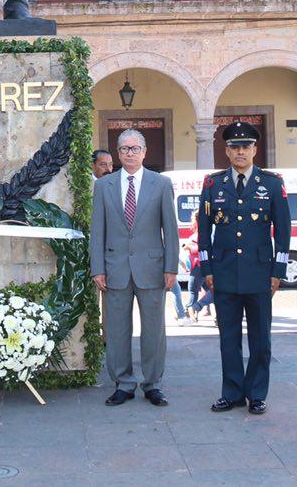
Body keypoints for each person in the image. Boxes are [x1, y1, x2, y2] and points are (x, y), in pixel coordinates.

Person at [197, 121, 291, 416]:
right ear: (226, 151)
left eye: (246, 146)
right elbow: (203, 232)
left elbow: (284, 231)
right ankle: (232, 392)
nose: (240, 151)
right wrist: (207, 268)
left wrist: (278, 272)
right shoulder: (213, 184)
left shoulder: (272, 183)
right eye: (234, 147)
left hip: (260, 273)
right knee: (228, 339)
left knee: (261, 339)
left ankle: (257, 393)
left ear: (255, 149)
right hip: (224, 273)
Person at [90, 128, 179, 407]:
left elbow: (170, 229)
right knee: (116, 330)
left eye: (135, 148)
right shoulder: (104, 186)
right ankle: (124, 383)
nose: (130, 153)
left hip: (152, 268)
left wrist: (171, 267)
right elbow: (98, 230)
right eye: (125, 149)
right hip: (114, 268)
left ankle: (153, 384)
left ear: (144, 152)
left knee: (154, 330)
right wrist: (97, 268)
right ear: (118, 154)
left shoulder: (161, 184)